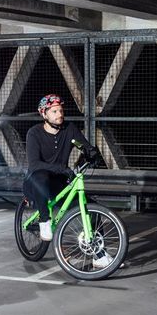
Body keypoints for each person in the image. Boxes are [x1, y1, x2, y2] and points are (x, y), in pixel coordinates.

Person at [23, 94, 110, 267]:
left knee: (92, 209)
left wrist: (92, 152)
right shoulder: (34, 133)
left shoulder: (69, 129)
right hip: (35, 184)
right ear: (44, 114)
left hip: (59, 185)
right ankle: (44, 221)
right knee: (41, 175)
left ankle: (99, 255)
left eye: (61, 110)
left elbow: (83, 144)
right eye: (54, 111)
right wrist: (62, 169)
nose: (59, 114)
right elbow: (34, 164)